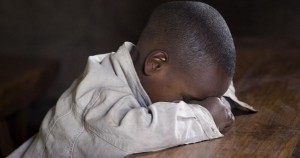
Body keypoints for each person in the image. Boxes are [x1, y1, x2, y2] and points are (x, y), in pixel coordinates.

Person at [9, 1, 256, 158]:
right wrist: (203, 116)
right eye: (190, 100)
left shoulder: (162, 76)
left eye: (200, 102)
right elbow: (129, 134)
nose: (193, 106)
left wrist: (219, 102)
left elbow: (205, 88)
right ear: (156, 64)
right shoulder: (99, 98)